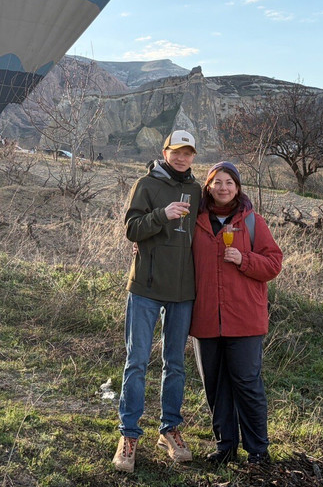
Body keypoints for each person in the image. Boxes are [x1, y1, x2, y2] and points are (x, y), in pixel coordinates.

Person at [112, 130, 202, 473]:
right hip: (146, 288)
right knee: (136, 361)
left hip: (182, 291)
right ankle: (129, 435)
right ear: (165, 151)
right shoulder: (146, 185)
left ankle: (169, 430)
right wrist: (162, 215)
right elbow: (132, 229)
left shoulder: (196, 190)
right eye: (176, 151)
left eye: (188, 153)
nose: (181, 158)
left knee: (174, 364)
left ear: (193, 156)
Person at [190, 162, 283, 466]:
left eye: (230, 182)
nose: (224, 188)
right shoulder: (196, 221)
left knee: (247, 384)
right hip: (205, 319)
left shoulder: (253, 222)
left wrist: (244, 259)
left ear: (238, 187)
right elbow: (173, 252)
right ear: (209, 186)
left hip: (244, 320)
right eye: (217, 182)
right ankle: (225, 447)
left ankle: (258, 451)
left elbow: (273, 265)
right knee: (216, 387)